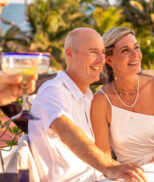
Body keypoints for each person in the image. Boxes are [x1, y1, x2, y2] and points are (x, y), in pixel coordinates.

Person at [28, 28, 147, 182]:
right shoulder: (53, 91)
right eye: (93, 52)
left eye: (103, 52)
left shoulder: (87, 97)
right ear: (70, 54)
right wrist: (110, 167)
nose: (101, 59)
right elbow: (66, 131)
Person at [91, 27, 154, 166]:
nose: (135, 54)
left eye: (136, 47)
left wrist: (147, 169)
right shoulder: (101, 100)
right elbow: (104, 156)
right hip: (129, 174)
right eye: (125, 50)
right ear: (109, 59)